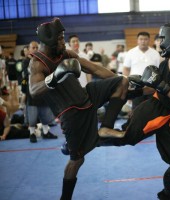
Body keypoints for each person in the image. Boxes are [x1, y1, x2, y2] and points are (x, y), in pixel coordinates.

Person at [29, 18, 129, 199]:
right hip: (71, 114)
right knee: (77, 160)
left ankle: (105, 127)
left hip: (87, 96)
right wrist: (55, 76)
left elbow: (96, 70)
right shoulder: (37, 63)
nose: (63, 42)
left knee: (122, 81)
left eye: (62, 38)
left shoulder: (66, 54)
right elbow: (34, 90)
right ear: (49, 41)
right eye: (59, 39)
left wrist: (118, 79)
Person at [102, 21, 170, 200]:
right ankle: (84, 143)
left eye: (163, 37)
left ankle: (168, 194)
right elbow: (155, 88)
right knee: (127, 136)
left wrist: (161, 85)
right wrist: (136, 91)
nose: (159, 42)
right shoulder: (168, 60)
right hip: (156, 107)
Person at [23, 41, 58, 143]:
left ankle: (46, 132)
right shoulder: (26, 62)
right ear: (29, 50)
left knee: (45, 114)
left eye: (36, 47)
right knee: (32, 116)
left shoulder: (43, 61)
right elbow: (25, 77)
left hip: (42, 91)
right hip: (32, 93)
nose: (35, 49)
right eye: (33, 48)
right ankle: (32, 133)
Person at [123, 31, 161, 110]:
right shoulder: (131, 53)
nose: (143, 41)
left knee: (151, 108)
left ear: (149, 40)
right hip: (136, 85)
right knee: (136, 108)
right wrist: (126, 84)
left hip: (151, 86)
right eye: (141, 39)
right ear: (137, 40)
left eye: (145, 39)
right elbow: (126, 69)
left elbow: (158, 70)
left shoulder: (155, 53)